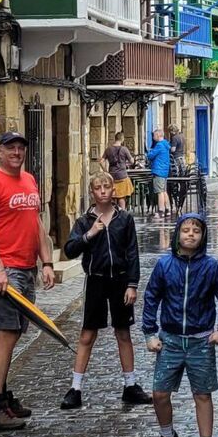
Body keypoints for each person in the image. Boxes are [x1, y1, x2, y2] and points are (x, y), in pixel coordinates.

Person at [142, 211, 218, 437]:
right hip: (170, 340)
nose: (191, 234)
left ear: (203, 236)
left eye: (196, 230)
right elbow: (151, 297)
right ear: (177, 235)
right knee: (160, 393)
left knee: (202, 394)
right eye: (186, 230)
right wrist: (150, 333)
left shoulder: (211, 267)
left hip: (200, 341)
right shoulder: (164, 265)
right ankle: (167, 435)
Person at [0, 131, 55, 431]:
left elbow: (36, 223)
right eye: (11, 148)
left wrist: (46, 262)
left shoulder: (30, 180)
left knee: (16, 332)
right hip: (6, 269)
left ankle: (2, 396)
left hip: (26, 268)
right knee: (5, 334)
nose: (17, 152)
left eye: (21, 148)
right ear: (0, 152)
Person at [59, 172, 152, 410]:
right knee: (87, 334)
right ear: (92, 193)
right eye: (98, 188)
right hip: (96, 281)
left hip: (120, 281)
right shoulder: (84, 221)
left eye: (106, 187)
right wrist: (90, 234)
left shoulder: (125, 219)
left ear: (113, 191)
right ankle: (76, 387)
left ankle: (130, 385)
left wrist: (132, 284)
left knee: (123, 332)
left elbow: (132, 253)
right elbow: (69, 250)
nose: (102, 191)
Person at [101, 132, 135, 208]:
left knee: (112, 197)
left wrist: (105, 171)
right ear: (122, 139)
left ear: (115, 138)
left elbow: (101, 161)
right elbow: (132, 161)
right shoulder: (124, 149)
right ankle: (122, 214)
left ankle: (112, 214)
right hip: (122, 176)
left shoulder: (108, 149)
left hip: (112, 176)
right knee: (121, 197)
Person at [147, 127, 172, 218]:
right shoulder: (166, 144)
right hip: (164, 170)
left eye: (154, 135)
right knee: (164, 190)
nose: (153, 137)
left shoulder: (159, 145)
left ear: (158, 135)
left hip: (158, 170)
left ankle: (161, 210)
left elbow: (150, 155)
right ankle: (168, 209)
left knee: (159, 191)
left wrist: (149, 153)